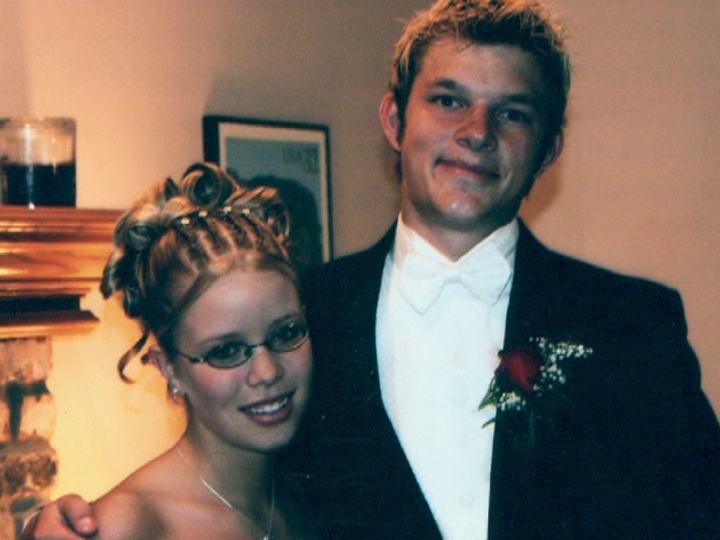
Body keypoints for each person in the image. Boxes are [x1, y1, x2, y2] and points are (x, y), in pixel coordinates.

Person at [22, 0, 720, 539]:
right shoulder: (301, 322)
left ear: (548, 148)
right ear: (393, 119)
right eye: (448, 100)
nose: (477, 132)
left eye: (512, 113)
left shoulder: (632, 325)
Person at [35, 162, 315, 539]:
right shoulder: (128, 526)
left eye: (286, 333)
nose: (267, 371)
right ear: (168, 367)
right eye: (226, 351)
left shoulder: (312, 495)